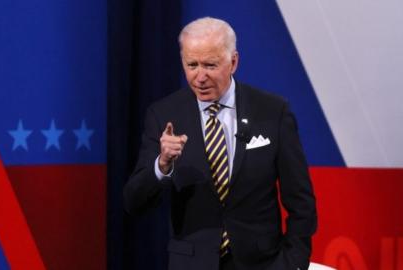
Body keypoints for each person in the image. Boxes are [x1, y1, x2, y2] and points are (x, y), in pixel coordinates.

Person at [124, 17, 317, 270]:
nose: (199, 77)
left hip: (262, 263)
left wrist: (293, 264)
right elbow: (133, 202)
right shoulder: (163, 114)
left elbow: (300, 200)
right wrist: (162, 164)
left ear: (233, 62)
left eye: (210, 65)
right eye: (191, 65)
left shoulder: (272, 111)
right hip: (192, 263)